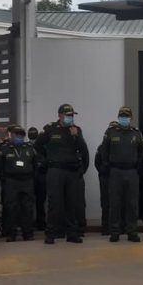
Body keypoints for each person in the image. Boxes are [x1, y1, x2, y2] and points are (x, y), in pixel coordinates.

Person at [33, 104, 89, 244]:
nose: (70, 118)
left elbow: (83, 150)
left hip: (71, 171)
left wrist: (76, 137)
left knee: (72, 204)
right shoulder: (50, 129)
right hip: (55, 170)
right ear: (60, 116)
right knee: (55, 203)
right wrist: (48, 159)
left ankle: (72, 234)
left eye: (71, 115)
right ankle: (51, 233)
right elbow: (37, 146)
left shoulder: (76, 130)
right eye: (67, 115)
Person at [102, 106, 143, 242]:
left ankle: (132, 232)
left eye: (126, 116)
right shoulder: (111, 132)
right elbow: (104, 152)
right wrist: (108, 167)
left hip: (131, 171)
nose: (124, 118)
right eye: (122, 116)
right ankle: (115, 232)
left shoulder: (136, 133)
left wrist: (137, 169)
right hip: (115, 172)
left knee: (132, 203)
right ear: (118, 117)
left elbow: (141, 153)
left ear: (131, 118)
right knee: (115, 203)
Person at [0, 127, 37, 242]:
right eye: (16, 135)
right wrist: (5, 178)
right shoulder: (5, 148)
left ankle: (28, 234)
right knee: (11, 207)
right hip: (11, 181)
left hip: (27, 181)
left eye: (21, 135)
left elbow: (35, 164)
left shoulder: (29, 148)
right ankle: (11, 234)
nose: (19, 137)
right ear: (11, 135)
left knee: (27, 208)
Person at [95, 121, 119, 236]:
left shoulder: (120, 145)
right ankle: (105, 227)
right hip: (105, 178)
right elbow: (97, 163)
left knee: (117, 202)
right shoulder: (101, 147)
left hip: (117, 177)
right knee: (105, 203)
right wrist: (103, 172)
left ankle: (118, 226)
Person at [28, 126, 47, 231]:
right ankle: (29, 223)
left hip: (41, 175)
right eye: (31, 133)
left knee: (41, 202)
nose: (32, 135)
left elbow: (46, 159)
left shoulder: (43, 145)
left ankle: (41, 222)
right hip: (30, 176)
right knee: (29, 202)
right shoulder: (26, 146)